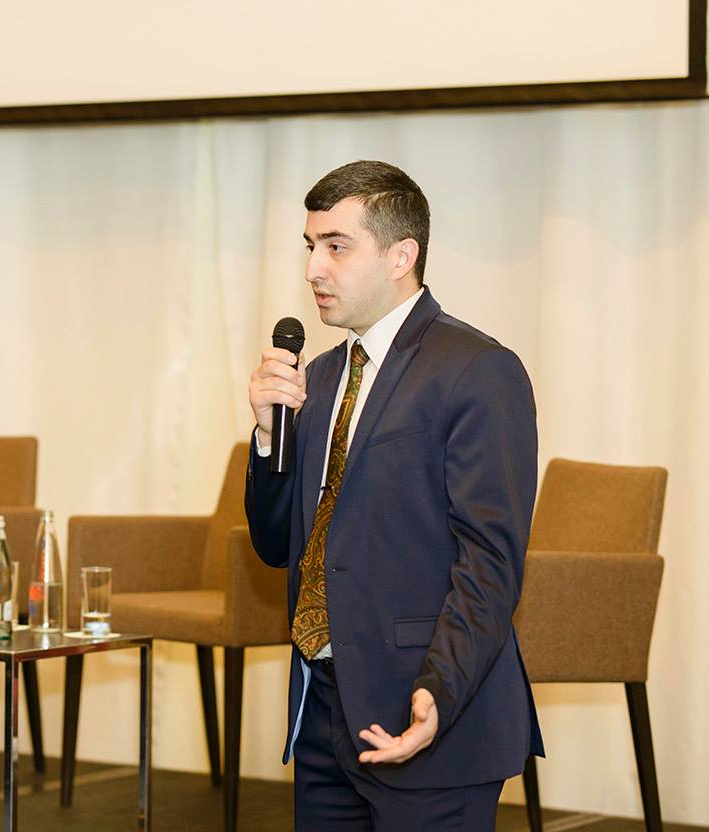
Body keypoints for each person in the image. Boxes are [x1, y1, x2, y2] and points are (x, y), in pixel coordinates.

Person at [244, 161, 543, 831]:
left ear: (401, 256)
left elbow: (489, 561)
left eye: (336, 246)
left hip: (428, 709)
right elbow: (274, 545)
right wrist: (266, 440)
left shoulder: (477, 369)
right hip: (323, 710)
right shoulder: (322, 376)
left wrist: (438, 691)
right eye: (310, 246)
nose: (313, 269)